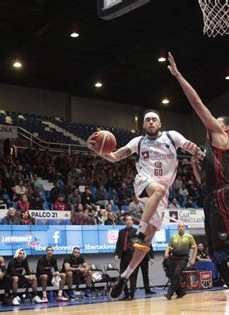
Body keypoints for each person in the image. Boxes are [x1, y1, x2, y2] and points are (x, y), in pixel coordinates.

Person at [167, 52, 229, 314]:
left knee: (224, 251)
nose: (212, 122)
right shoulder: (211, 150)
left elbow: (196, 104)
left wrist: (178, 76)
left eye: (217, 121)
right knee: (217, 255)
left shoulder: (221, 138)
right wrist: (196, 161)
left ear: (226, 129)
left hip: (221, 198)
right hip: (210, 197)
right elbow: (203, 181)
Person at [87, 110, 203, 299]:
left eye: (154, 119)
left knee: (147, 242)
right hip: (144, 182)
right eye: (147, 120)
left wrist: (199, 153)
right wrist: (99, 151)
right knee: (156, 196)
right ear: (143, 125)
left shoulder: (171, 136)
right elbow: (115, 156)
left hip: (162, 193)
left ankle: (124, 277)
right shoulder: (138, 142)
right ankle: (139, 233)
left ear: (160, 123)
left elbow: (190, 146)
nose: (150, 122)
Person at [163, 222, 197, 300]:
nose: (181, 228)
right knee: (171, 275)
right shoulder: (173, 237)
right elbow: (169, 246)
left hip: (183, 259)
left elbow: (195, 247)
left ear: (184, 228)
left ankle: (169, 294)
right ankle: (181, 292)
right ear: (177, 228)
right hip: (174, 258)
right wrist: (166, 252)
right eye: (179, 226)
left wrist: (193, 258)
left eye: (182, 226)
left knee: (176, 274)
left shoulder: (189, 237)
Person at [114, 215, 138, 300]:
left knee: (132, 276)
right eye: (127, 220)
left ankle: (132, 294)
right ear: (125, 222)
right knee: (123, 276)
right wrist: (117, 254)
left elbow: (136, 244)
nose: (128, 221)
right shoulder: (121, 232)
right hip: (123, 256)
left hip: (132, 256)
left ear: (132, 222)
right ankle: (126, 294)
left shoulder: (136, 231)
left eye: (130, 220)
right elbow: (118, 244)